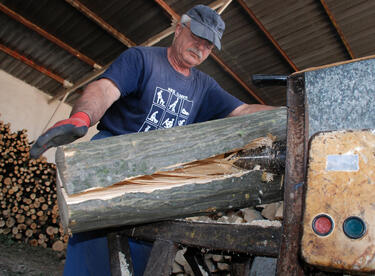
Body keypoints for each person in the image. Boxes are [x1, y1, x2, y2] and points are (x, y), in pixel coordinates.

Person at [30, 4, 275, 275]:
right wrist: (81, 118)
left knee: (139, 258)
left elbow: (243, 112)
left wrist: (293, 111)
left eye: (208, 45)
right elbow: (104, 89)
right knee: (93, 255)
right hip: (111, 168)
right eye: (197, 37)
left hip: (154, 184)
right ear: (179, 28)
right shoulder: (142, 59)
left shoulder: (204, 87)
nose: (201, 47)